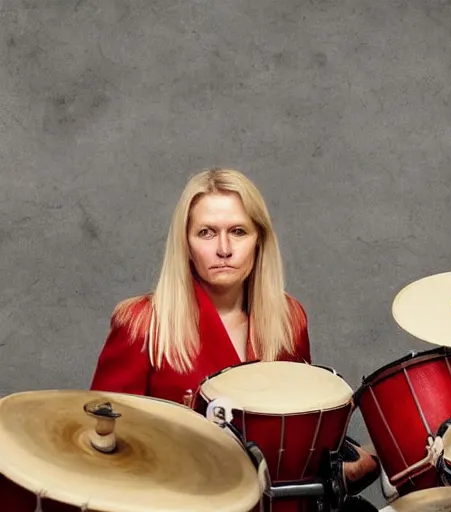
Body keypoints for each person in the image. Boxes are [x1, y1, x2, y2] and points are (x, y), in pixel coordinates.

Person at [90, 167, 379, 494]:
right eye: (206, 233)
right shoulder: (141, 322)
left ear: (260, 240)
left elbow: (298, 444)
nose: (224, 249)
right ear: (185, 242)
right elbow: (101, 447)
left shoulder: (289, 320)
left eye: (239, 231)